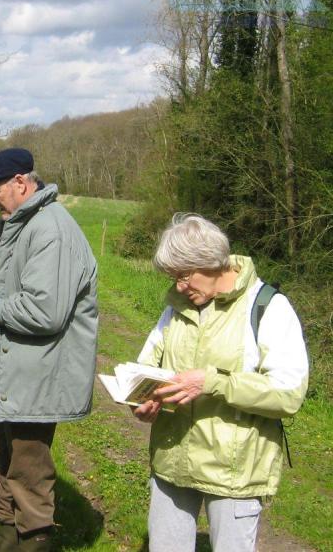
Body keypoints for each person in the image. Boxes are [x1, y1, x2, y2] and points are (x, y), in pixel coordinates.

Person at [0, 148, 99, 551]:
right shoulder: (11, 223)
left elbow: (45, 311)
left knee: (28, 476)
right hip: (8, 374)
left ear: (21, 182)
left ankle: (34, 543)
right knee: (3, 468)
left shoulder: (52, 228)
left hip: (37, 376)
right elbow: (16, 274)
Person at [133, 213, 308, 552]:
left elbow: (288, 394)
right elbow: (147, 364)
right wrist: (142, 398)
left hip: (234, 472)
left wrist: (213, 383)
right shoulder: (175, 308)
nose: (179, 286)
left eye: (184, 275)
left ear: (213, 262)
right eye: (174, 277)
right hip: (172, 461)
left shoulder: (268, 307)